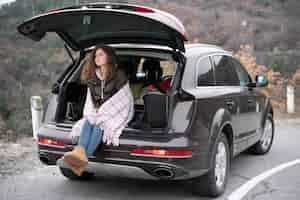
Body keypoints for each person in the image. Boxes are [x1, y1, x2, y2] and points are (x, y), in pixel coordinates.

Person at [57, 45, 134, 176]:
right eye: (95, 55)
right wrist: (94, 112)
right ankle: (79, 153)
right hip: (99, 111)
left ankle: (81, 158)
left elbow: (124, 98)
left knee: (100, 124)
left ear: (109, 57)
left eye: (101, 55)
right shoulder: (93, 76)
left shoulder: (118, 75)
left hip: (116, 111)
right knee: (89, 120)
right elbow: (90, 99)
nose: (97, 58)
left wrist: (103, 112)